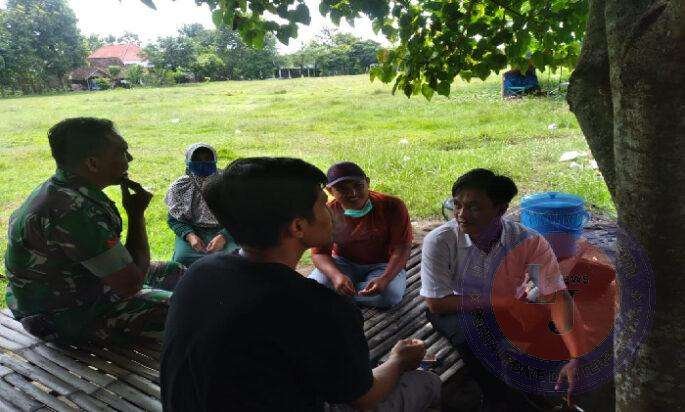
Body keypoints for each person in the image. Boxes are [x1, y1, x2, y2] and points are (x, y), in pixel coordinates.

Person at [161, 157, 441, 411]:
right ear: (298, 227)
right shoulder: (322, 308)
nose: (331, 212)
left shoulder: (199, 273)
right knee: (426, 382)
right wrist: (399, 360)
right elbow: (364, 397)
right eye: (322, 204)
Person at [4, 117, 185, 346]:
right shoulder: (73, 211)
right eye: (121, 152)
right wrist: (136, 215)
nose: (129, 158)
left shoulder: (60, 189)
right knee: (189, 310)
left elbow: (126, 270)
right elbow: (131, 285)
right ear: (93, 163)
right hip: (62, 316)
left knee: (174, 272)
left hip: (71, 291)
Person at [420, 169, 584, 411]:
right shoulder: (440, 241)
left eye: (474, 207)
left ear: (500, 210)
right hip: (455, 307)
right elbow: (436, 303)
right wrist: (501, 301)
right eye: (457, 205)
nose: (461, 214)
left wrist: (576, 356)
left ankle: (518, 395)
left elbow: (557, 296)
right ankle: (504, 401)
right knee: (473, 337)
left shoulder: (528, 241)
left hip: (508, 307)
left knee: (558, 336)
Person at [309, 161, 412, 308]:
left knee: (390, 295)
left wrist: (385, 279)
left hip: (384, 264)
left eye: (358, 185)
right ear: (330, 191)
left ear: (367, 183)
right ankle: (353, 293)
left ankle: (340, 295)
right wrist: (336, 276)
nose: (352, 193)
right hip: (343, 262)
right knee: (313, 286)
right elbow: (319, 254)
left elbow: (402, 248)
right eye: (342, 188)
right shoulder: (327, 213)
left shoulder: (392, 206)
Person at [165, 143, 237, 267]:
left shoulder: (227, 182)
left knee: (232, 260)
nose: (203, 163)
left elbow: (240, 216)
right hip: (193, 230)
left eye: (208, 159)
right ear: (188, 161)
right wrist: (190, 236)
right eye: (197, 159)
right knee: (182, 259)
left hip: (226, 229)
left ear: (215, 159)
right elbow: (174, 219)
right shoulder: (180, 187)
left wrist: (224, 236)